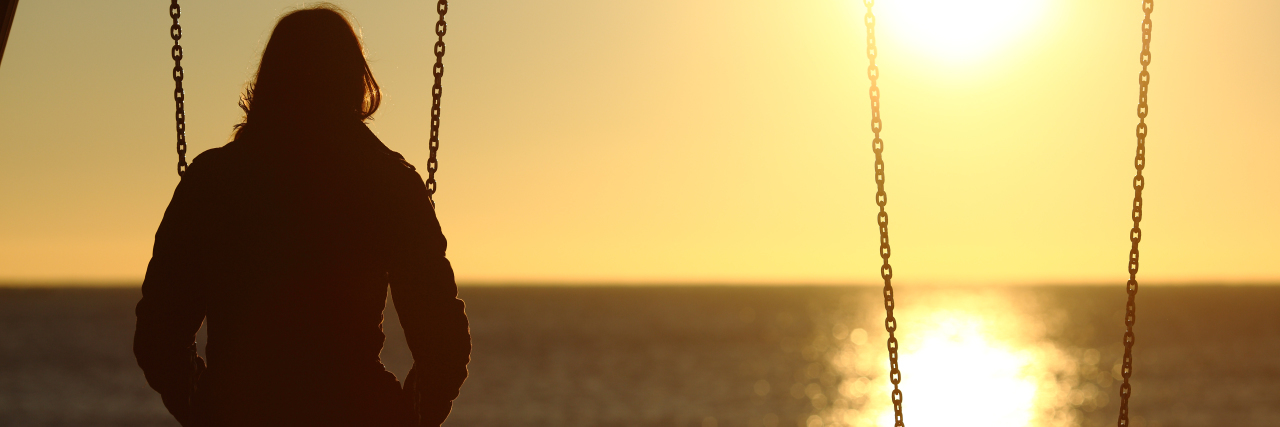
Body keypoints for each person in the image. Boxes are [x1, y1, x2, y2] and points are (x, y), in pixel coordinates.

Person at [133, 6, 470, 427]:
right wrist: (402, 418)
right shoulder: (388, 183)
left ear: (270, 81)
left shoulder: (214, 181)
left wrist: (209, 408)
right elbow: (444, 346)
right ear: (355, 82)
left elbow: (159, 336)